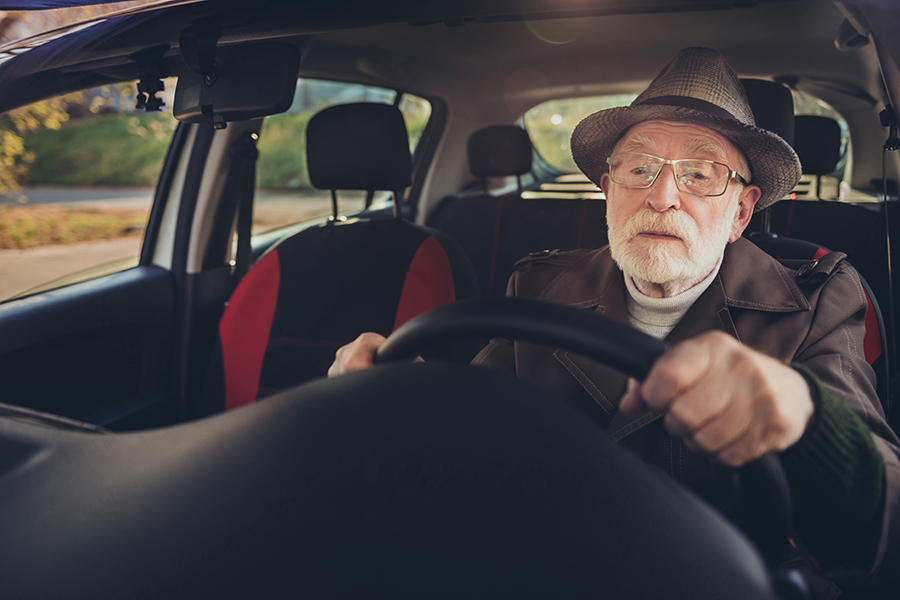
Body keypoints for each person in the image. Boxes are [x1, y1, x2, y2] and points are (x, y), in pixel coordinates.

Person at [328, 47, 900, 590]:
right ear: (607, 191)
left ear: (741, 211)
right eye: (639, 169)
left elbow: (885, 529)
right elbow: (481, 431)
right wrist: (401, 394)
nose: (662, 197)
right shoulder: (538, 285)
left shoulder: (819, 300)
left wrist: (807, 421)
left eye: (700, 173)